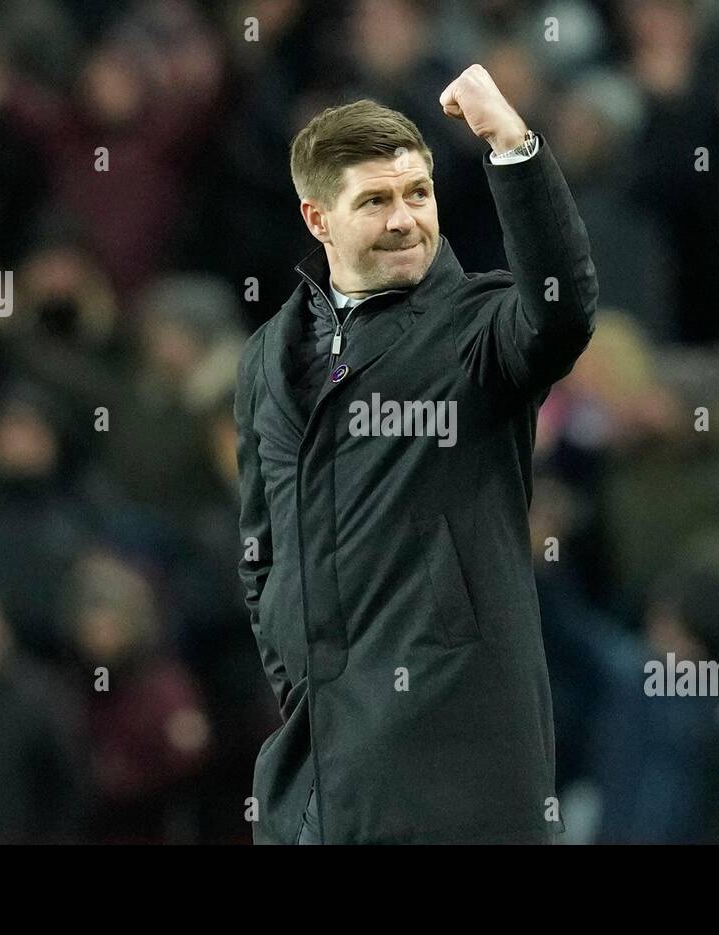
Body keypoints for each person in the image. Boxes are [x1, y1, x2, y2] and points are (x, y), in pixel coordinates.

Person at [235, 65, 598, 844]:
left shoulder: (474, 329)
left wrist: (512, 143)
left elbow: (562, 313)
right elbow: (259, 544)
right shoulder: (269, 356)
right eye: (375, 200)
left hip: (454, 770)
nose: (405, 220)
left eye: (418, 194)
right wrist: (299, 669)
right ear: (317, 218)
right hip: (314, 769)